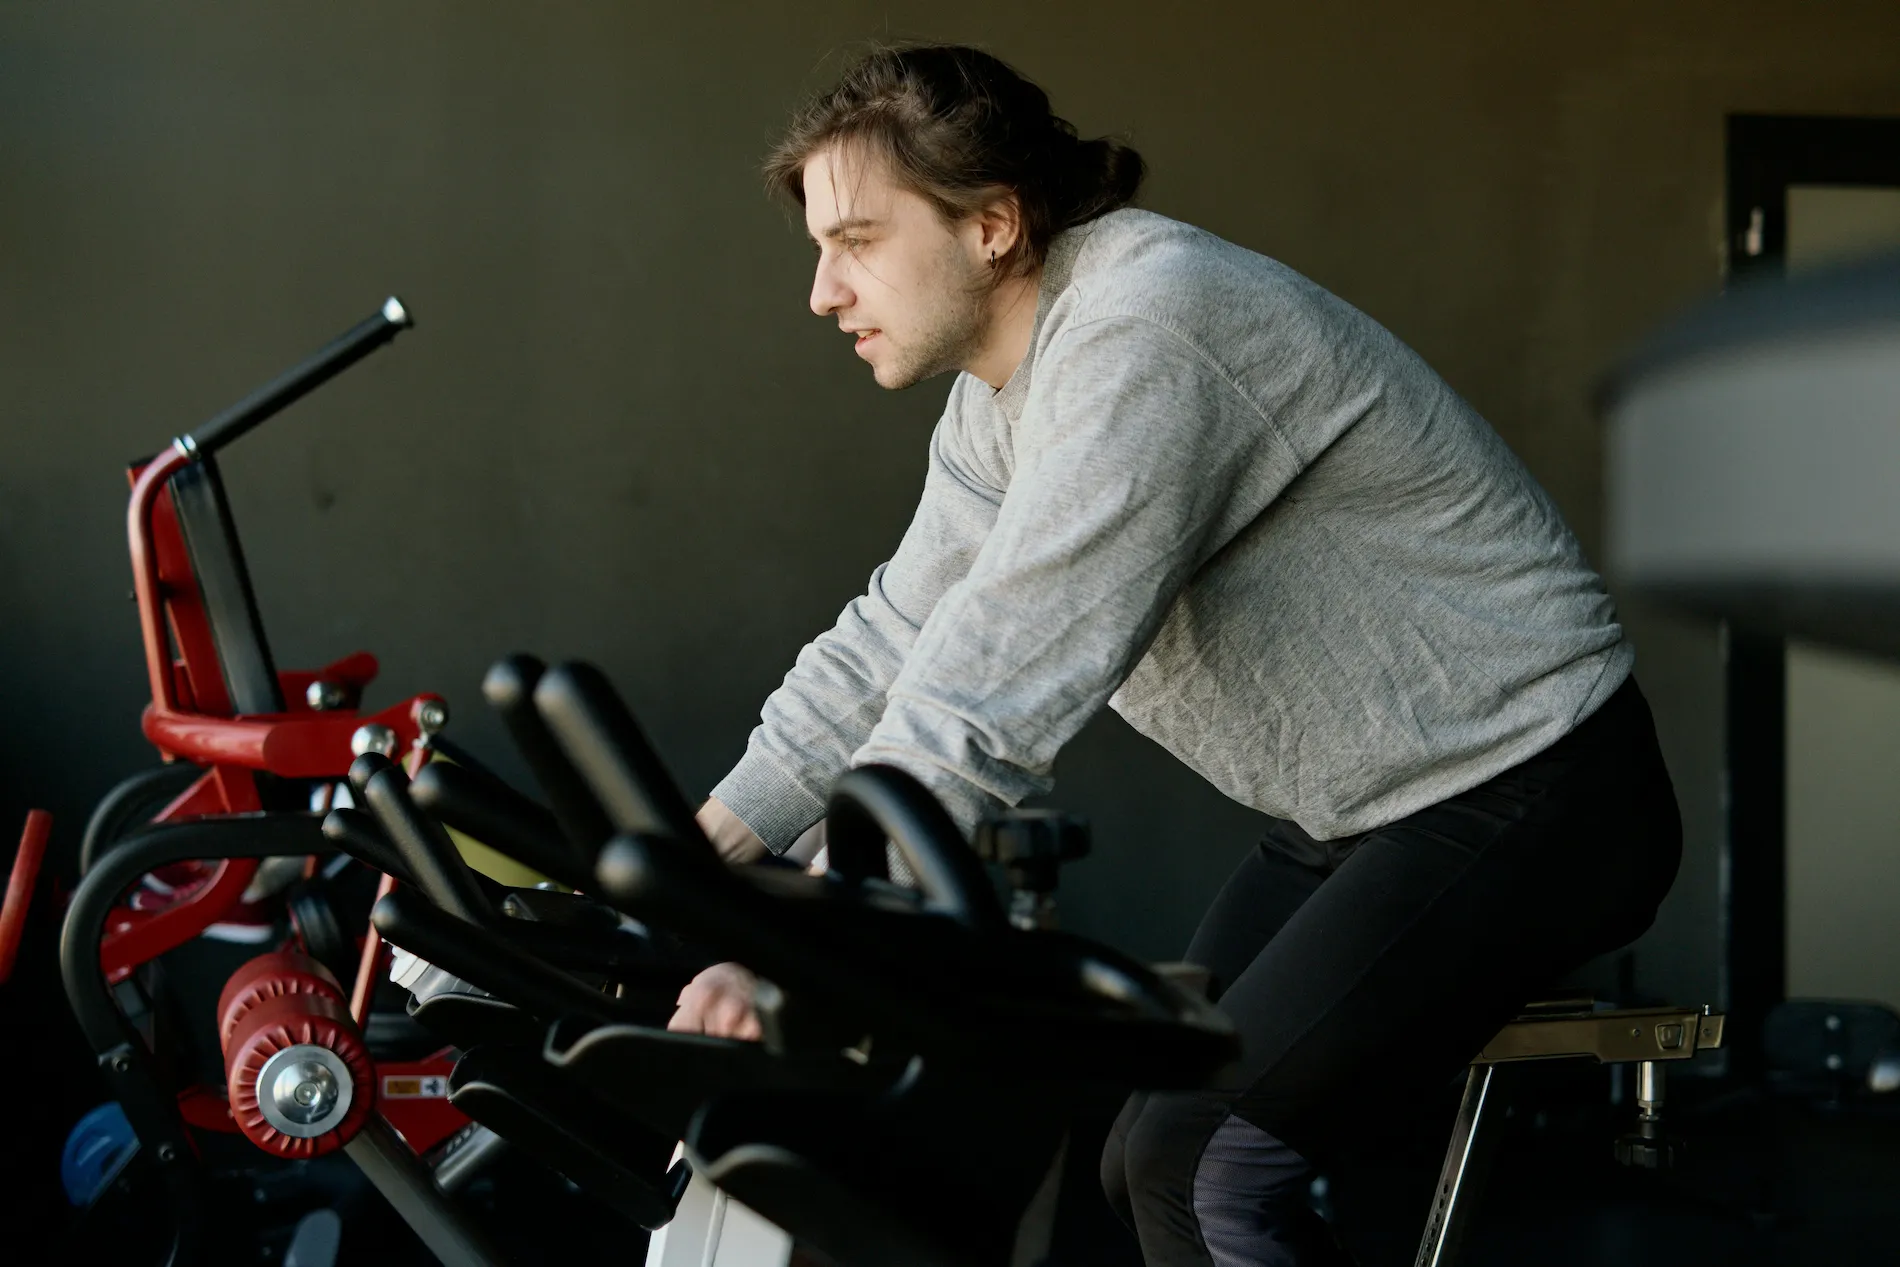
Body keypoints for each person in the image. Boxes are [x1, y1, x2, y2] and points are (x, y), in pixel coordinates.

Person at [667, 43, 1682, 1267]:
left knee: (1196, 1156)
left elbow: (989, 686)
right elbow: (895, 639)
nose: (823, 290)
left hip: (1532, 794)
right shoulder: (1002, 400)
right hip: (1355, 818)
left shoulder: (1147, 326)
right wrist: (692, 862)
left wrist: (803, 951)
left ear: (991, 224)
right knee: (1134, 1140)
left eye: (858, 240)